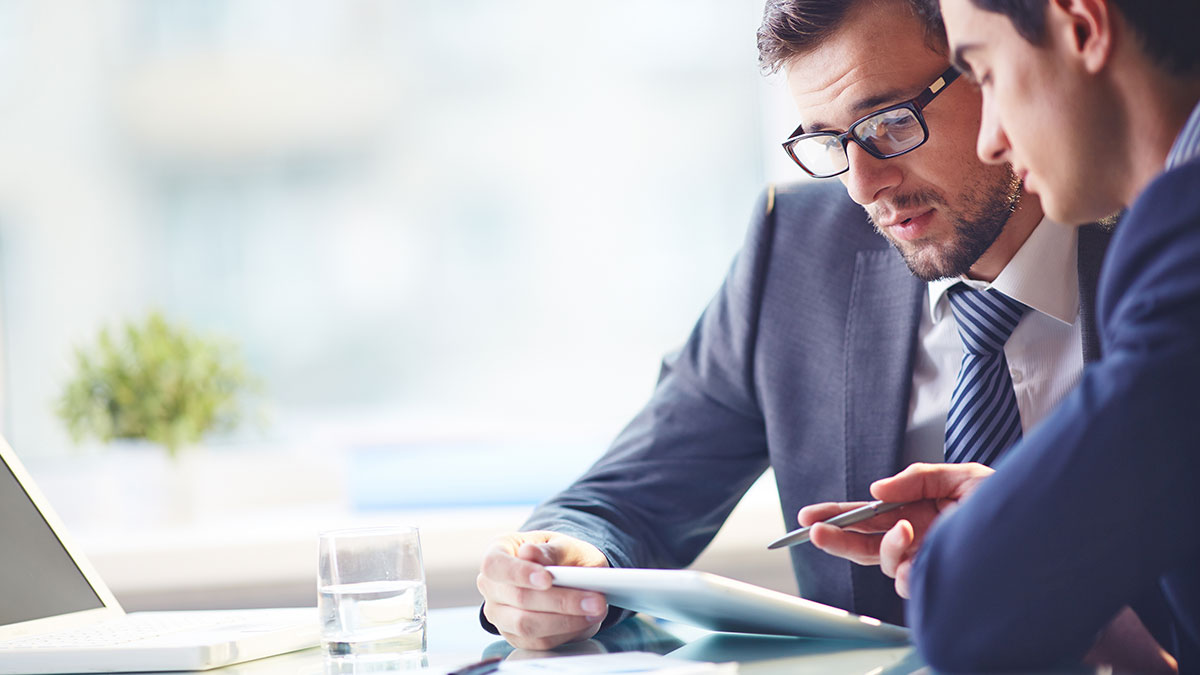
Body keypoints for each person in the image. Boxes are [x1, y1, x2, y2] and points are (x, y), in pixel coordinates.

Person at [475, 0, 1113, 651]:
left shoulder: (1164, 240)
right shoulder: (799, 250)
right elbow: (628, 495)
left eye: (891, 122)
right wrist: (553, 564)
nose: (864, 185)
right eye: (829, 141)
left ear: (993, 65)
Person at [799, 0, 1200, 670]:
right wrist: (1046, 532)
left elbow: (967, 608)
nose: (993, 139)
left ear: (1082, 26)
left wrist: (1006, 541)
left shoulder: (1182, 236)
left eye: (985, 72)